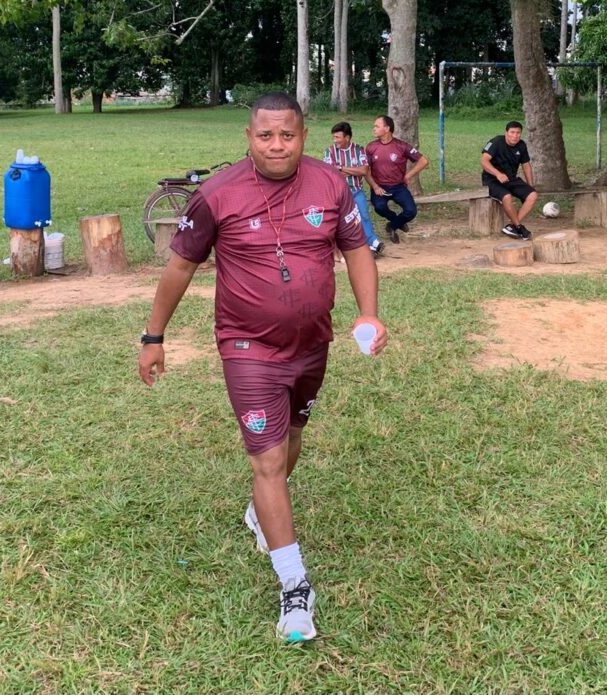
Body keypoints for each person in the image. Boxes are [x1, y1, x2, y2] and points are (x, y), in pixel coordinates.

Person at [138, 92, 387, 643]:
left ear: (303, 136)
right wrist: (154, 336)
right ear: (249, 138)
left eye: (287, 135)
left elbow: (356, 250)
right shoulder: (216, 195)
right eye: (266, 135)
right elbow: (180, 268)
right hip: (247, 347)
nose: (277, 145)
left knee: (293, 436)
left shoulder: (330, 184)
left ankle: (261, 512)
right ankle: (295, 587)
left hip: (312, 343)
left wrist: (368, 312)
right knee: (269, 460)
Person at [324, 121, 385, 258]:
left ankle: (373, 243)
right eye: (334, 137)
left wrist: (341, 168)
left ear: (347, 138)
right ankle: (341, 248)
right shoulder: (330, 151)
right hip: (338, 194)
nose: (335, 140)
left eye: (337, 137)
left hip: (356, 191)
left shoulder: (359, 149)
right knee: (340, 221)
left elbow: (364, 171)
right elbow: (330, 173)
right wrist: (352, 170)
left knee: (364, 216)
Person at [366, 115, 429, 244]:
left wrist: (408, 176)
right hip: (379, 187)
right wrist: (375, 187)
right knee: (379, 207)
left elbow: (423, 161)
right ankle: (396, 220)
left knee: (411, 211)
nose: (374, 129)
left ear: (387, 128)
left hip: (398, 187)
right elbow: (365, 170)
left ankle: (392, 225)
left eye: (377, 126)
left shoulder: (402, 146)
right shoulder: (371, 147)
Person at [480, 121, 538, 240]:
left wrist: (530, 185)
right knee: (507, 197)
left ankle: (512, 226)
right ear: (506, 133)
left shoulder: (521, 145)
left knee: (532, 195)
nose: (515, 136)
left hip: (510, 179)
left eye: (518, 133)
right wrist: (498, 174)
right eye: (512, 132)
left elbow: (526, 165)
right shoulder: (496, 142)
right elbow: (484, 161)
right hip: (491, 179)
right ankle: (519, 227)